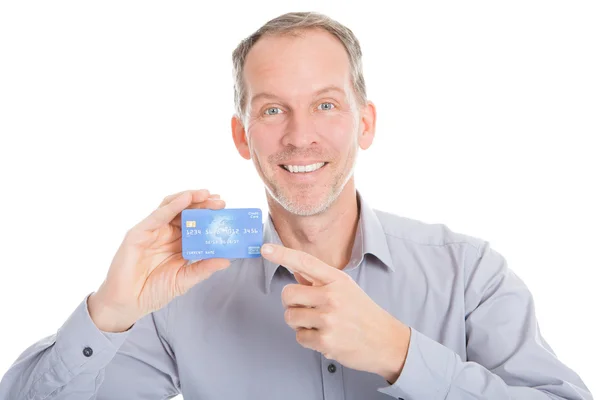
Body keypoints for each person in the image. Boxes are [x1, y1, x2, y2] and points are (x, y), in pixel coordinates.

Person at [0, 11, 593, 400]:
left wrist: (399, 353)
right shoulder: (180, 291)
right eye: (272, 109)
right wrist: (109, 311)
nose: (300, 136)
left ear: (366, 123)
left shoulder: (469, 274)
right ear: (242, 135)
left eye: (327, 106)